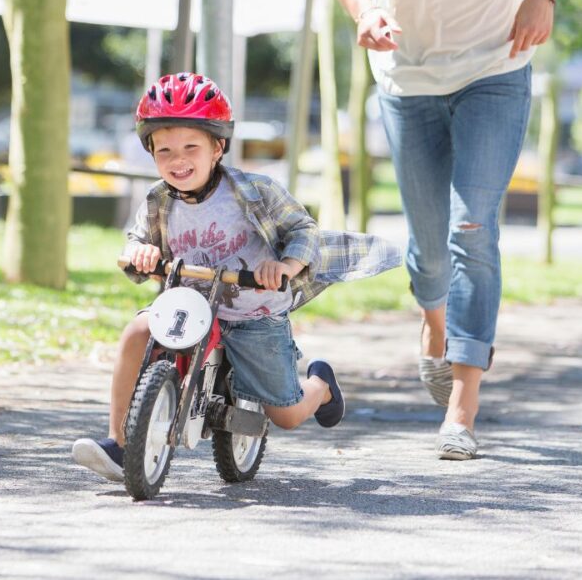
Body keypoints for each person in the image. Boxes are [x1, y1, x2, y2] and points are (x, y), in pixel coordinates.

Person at [331, 0, 571, 460]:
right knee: (430, 245)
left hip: (495, 69)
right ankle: (433, 322)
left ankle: (462, 409)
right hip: (408, 79)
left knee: (472, 228)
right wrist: (364, 12)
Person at [72, 72, 401, 482]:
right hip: (189, 305)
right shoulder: (158, 199)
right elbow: (138, 240)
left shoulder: (256, 192)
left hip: (254, 312)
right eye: (165, 150)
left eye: (191, 147)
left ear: (218, 146)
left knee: (287, 414)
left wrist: (283, 267)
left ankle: (322, 385)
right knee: (136, 332)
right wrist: (141, 252)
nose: (178, 160)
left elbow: (303, 231)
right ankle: (120, 444)